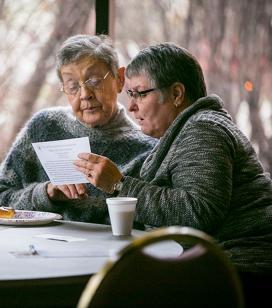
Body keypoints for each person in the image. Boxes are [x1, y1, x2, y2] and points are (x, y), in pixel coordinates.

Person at [74, 42, 272, 305]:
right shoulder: (179, 135)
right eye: (130, 95)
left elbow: (199, 211)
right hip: (215, 266)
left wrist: (120, 185)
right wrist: (69, 196)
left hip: (238, 272)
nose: (131, 107)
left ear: (177, 93)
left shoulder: (203, 130)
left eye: (140, 94)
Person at [0, 34, 157, 224]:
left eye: (95, 81)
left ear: (119, 80)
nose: (85, 95)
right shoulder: (45, 126)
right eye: (72, 86)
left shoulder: (146, 148)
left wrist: (118, 185)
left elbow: (151, 223)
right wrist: (46, 194)